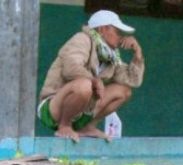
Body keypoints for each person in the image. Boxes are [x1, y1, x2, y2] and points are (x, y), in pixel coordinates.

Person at [38, 10, 144, 143]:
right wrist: (94, 80)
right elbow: (70, 68)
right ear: (102, 29)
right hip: (53, 107)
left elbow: (132, 81)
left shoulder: (110, 54)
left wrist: (137, 54)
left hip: (81, 111)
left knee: (123, 91)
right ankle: (64, 126)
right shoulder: (82, 39)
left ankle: (87, 127)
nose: (120, 37)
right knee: (84, 85)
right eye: (117, 32)